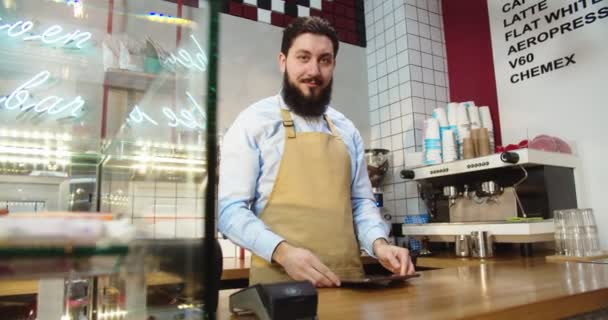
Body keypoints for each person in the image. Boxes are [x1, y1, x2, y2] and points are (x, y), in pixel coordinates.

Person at [218, 16, 415, 287]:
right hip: (280, 288)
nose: (314, 70)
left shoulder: (347, 130)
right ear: (283, 61)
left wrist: (379, 244)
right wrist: (283, 252)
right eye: (303, 57)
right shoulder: (253, 122)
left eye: (324, 60)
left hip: (348, 283)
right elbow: (230, 212)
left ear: (333, 65)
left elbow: (361, 203)